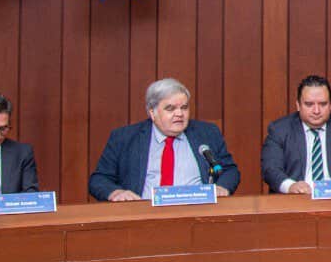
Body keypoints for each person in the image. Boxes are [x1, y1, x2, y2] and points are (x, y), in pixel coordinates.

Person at [89, 79, 239, 201]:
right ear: (152, 113)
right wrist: (116, 193)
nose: (179, 114)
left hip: (197, 213)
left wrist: (222, 187)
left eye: (184, 107)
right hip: (143, 215)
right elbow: (99, 179)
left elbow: (229, 170)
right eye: (170, 108)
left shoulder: (207, 133)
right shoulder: (125, 138)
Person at [263, 75, 331, 194]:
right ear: (298, 105)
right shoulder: (279, 130)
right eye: (309, 104)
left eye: (323, 104)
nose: (316, 111)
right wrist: (290, 186)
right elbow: (270, 169)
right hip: (294, 199)